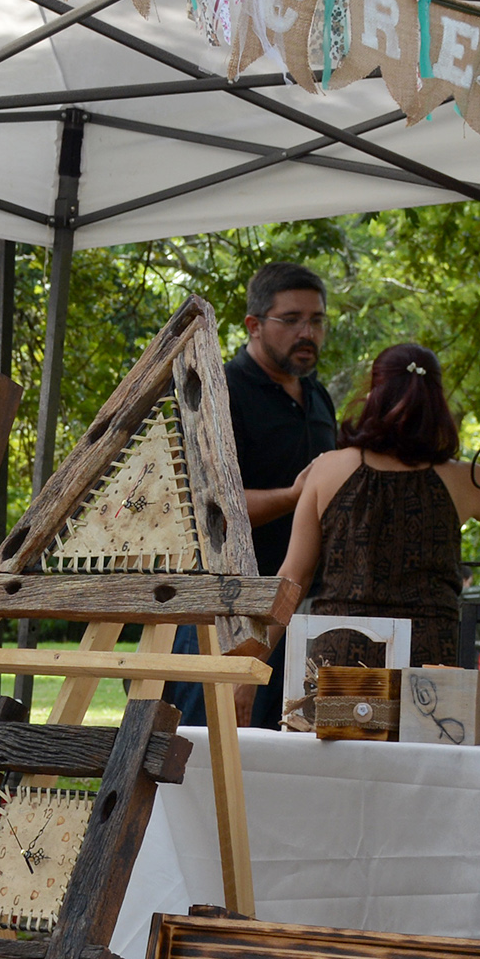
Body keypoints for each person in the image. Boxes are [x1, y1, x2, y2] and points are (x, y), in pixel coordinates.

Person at [173, 262, 340, 727]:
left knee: (277, 758)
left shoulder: (318, 396)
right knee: (208, 750)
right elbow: (207, 508)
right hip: (226, 609)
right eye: (291, 319)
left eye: (317, 320)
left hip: (297, 614)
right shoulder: (220, 391)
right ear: (254, 324)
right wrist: (295, 497)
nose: (308, 332)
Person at [271, 341, 480, 675]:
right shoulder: (467, 480)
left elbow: (293, 576)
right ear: (437, 401)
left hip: (340, 661)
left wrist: (252, 661)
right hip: (429, 665)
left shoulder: (327, 469)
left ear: (373, 394)